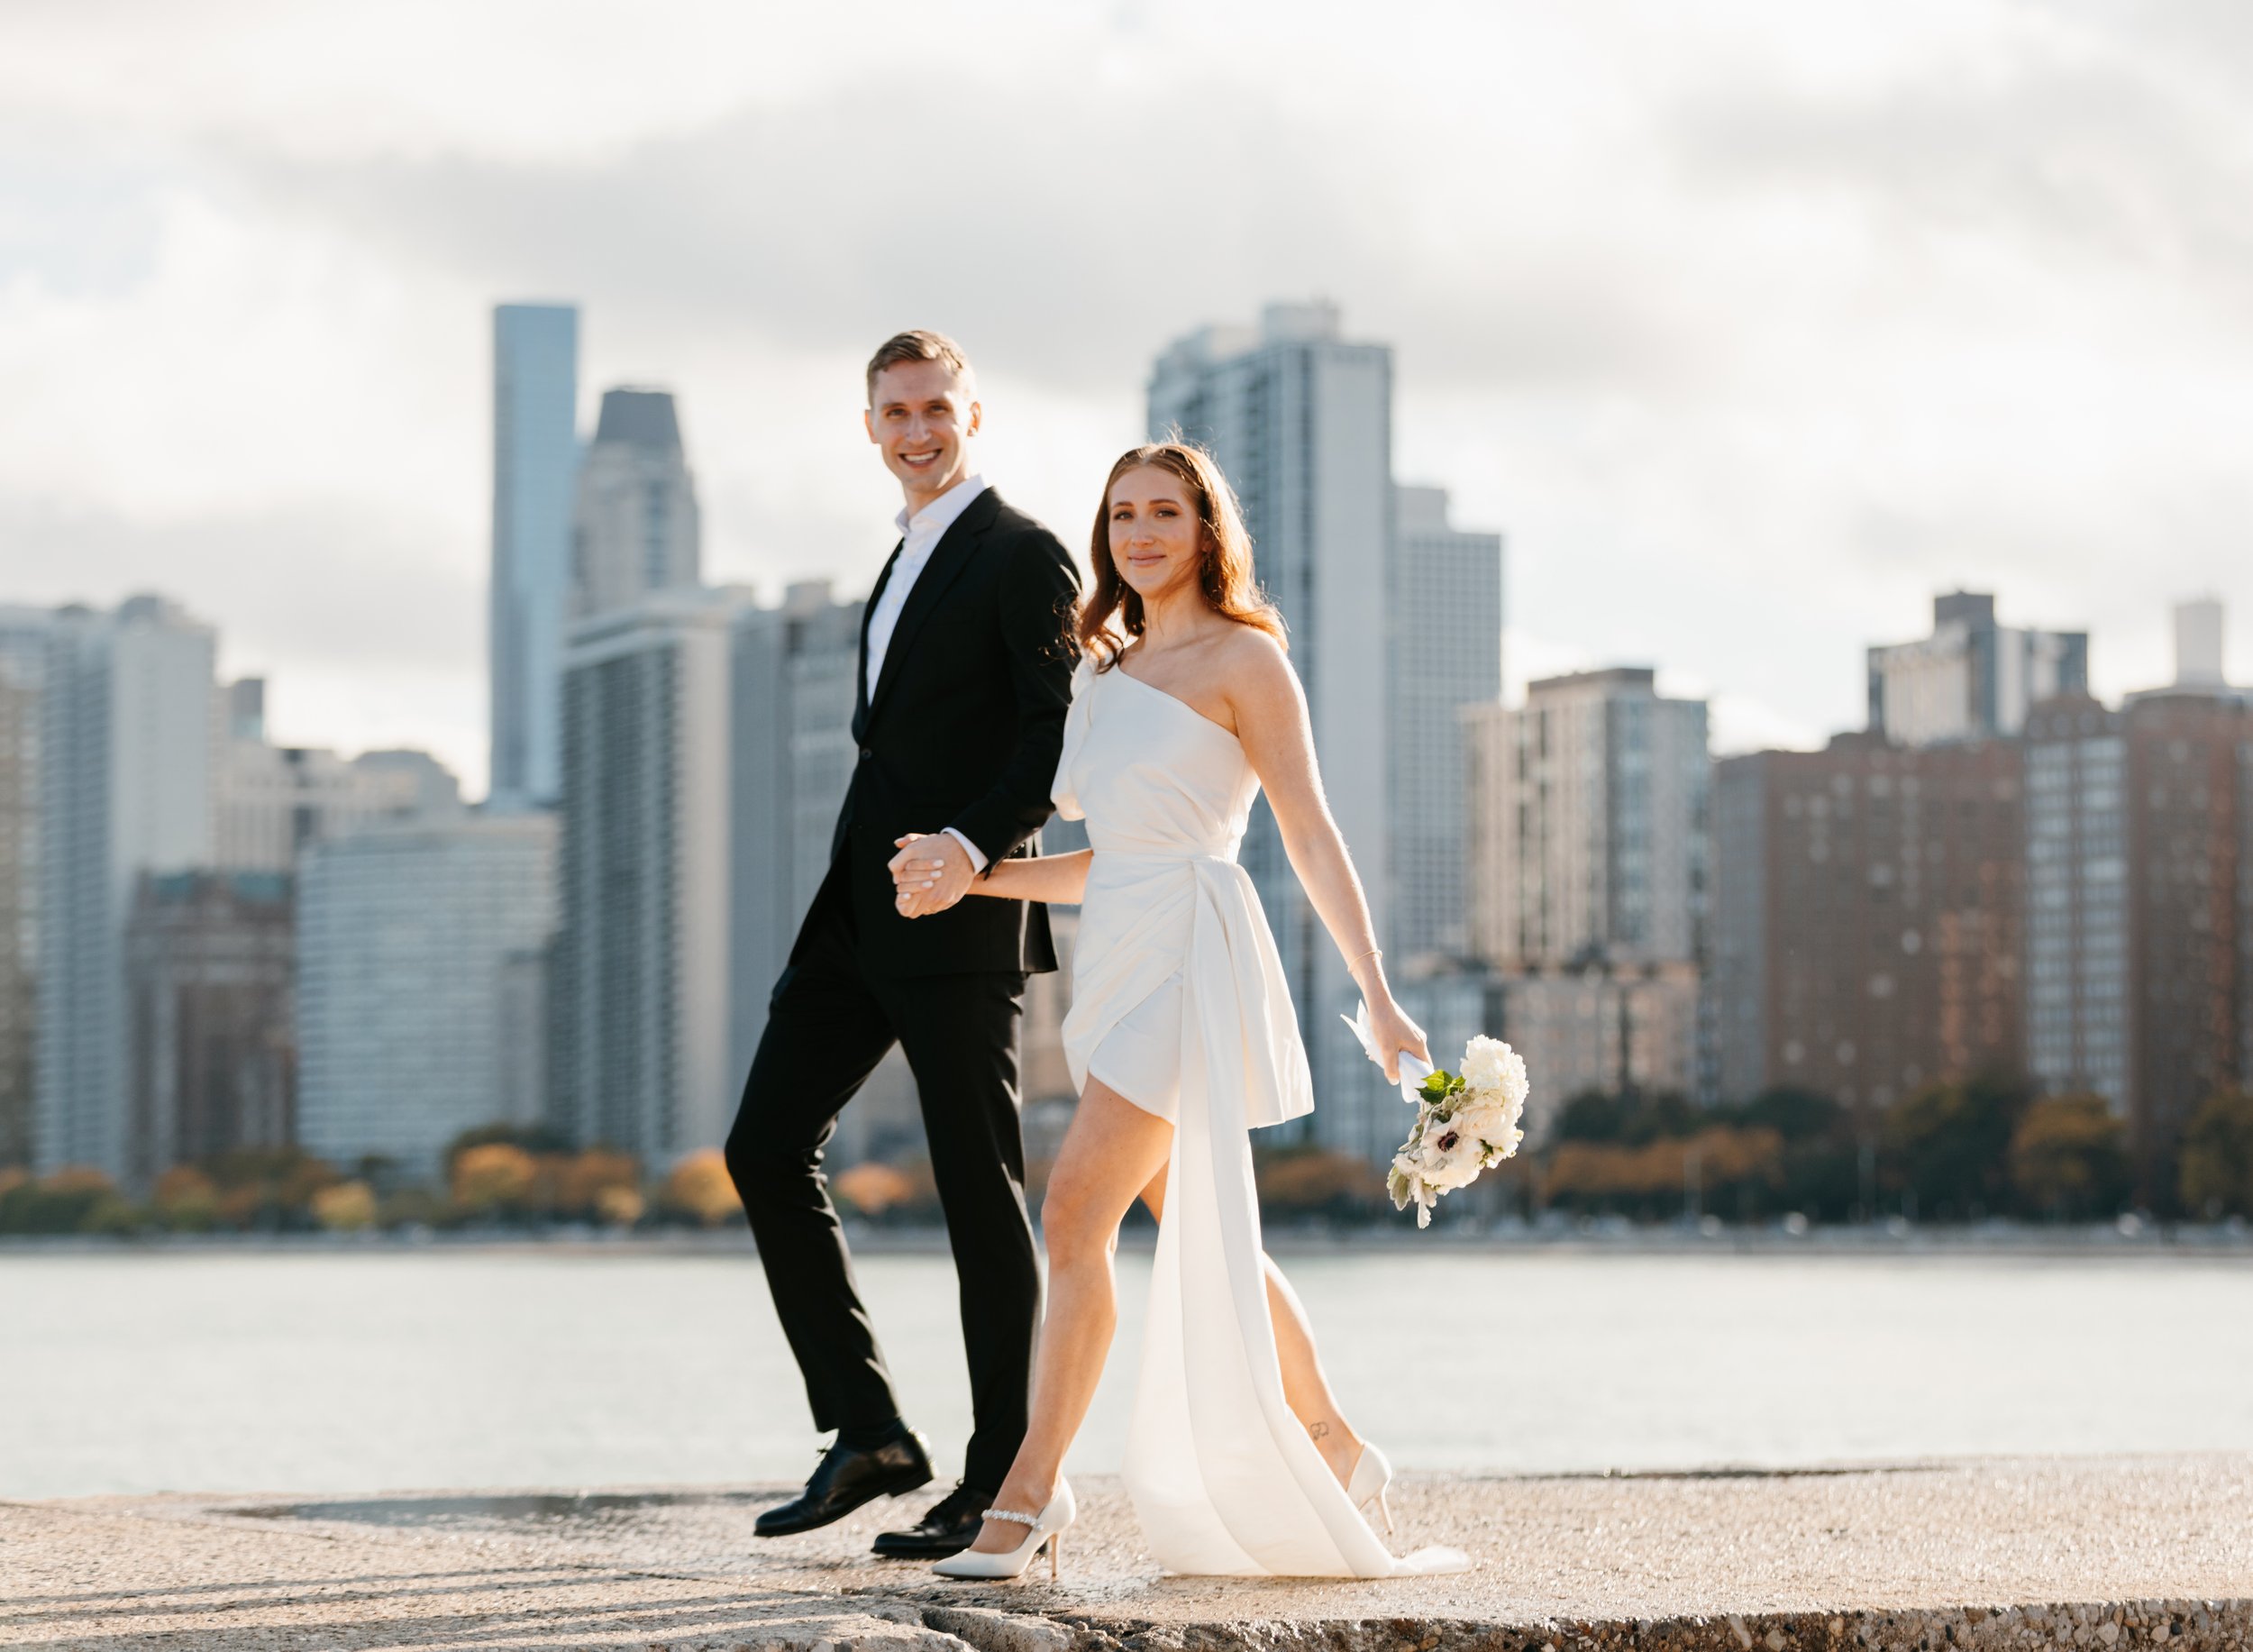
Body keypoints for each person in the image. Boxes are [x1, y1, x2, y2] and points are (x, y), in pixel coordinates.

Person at [889, 442, 1468, 1579]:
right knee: (1200, 1224)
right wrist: (977, 874)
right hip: (1118, 950)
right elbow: (1109, 860)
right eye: (1121, 516)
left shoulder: (1246, 661)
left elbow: (1306, 831)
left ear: (1207, 530)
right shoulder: (1102, 671)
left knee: (1071, 1217)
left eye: (1164, 512)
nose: (1140, 533)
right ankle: (1339, 1444)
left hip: (1194, 954)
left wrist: (1380, 996)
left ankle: (1028, 1494)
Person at [725, 330, 1081, 1561]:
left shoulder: (1022, 552)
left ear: (971, 414)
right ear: (870, 426)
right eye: (895, 412)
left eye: (936, 407)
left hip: (960, 911)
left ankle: (1001, 1482)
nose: (917, 429)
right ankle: (869, 1430)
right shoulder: (905, 555)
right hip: (856, 914)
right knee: (763, 1145)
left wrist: (972, 853)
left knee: (980, 1194)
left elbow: (1048, 739)